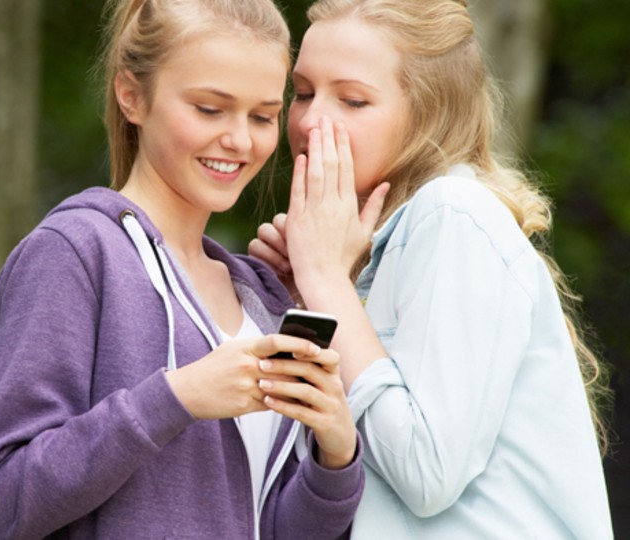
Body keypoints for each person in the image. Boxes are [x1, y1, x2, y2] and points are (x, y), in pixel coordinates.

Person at [0, 0, 364, 538]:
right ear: (132, 97)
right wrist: (177, 399)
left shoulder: (261, 297)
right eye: (210, 109)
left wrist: (335, 455)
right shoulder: (75, 252)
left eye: (262, 116)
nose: (240, 140)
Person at [248, 0, 613, 538]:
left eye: (352, 99)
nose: (311, 120)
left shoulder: (453, 214)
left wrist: (326, 282)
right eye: (302, 93)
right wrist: (318, 294)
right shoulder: (376, 255)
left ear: (429, 112)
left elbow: (427, 473)